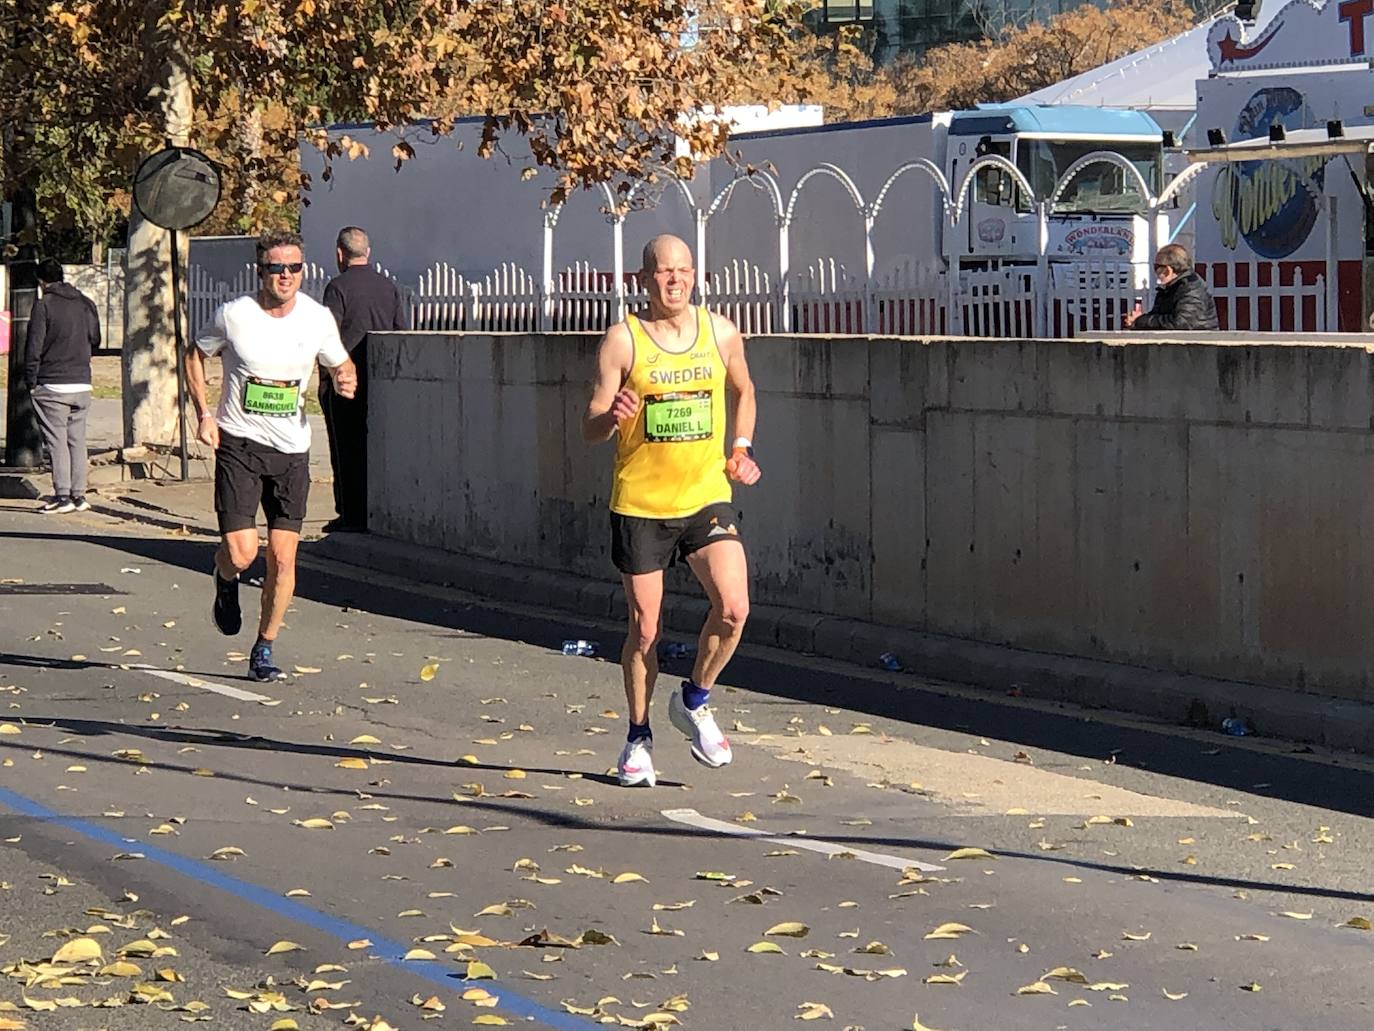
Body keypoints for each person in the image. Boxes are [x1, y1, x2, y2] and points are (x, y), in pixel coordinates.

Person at [582, 234, 762, 788]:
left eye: (684, 270)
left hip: (706, 496)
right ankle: (637, 738)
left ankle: (695, 699)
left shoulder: (720, 331)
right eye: (664, 272)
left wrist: (741, 448)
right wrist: (613, 413)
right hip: (641, 504)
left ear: (695, 275)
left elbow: (744, 388)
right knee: (645, 630)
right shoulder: (623, 340)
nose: (675, 281)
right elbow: (589, 426)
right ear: (645, 279)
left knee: (734, 608)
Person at [185, 230, 357, 683]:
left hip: (292, 450)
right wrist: (204, 413)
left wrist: (345, 377)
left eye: (294, 268)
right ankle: (225, 578)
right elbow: (194, 356)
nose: (286, 276)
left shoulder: (317, 318)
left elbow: (340, 361)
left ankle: (264, 647)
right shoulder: (234, 315)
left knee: (283, 559)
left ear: (303, 270)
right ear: (261, 271)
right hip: (239, 444)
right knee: (243, 554)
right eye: (276, 268)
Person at [319, 226, 408, 532]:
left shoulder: (338, 288)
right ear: (368, 253)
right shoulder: (389, 287)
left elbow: (328, 335)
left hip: (345, 380)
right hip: (381, 379)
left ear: (339, 254)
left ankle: (350, 512)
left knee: (346, 449)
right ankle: (374, 507)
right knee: (375, 448)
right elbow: (401, 331)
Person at [25, 258, 100, 514]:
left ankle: (62, 495)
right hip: (82, 383)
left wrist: (31, 381)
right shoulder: (85, 303)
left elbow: (34, 346)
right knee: (77, 440)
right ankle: (79, 495)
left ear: (41, 281)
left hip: (53, 383)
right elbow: (96, 339)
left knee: (56, 441)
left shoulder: (44, 305)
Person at [1124, 244, 1219, 331]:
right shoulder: (1171, 288)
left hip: (1198, 346)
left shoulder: (1191, 288)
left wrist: (1140, 321)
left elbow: (1181, 323)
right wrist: (1137, 322)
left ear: (1168, 270)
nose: (1155, 272)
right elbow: (1159, 319)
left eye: (1157, 267)